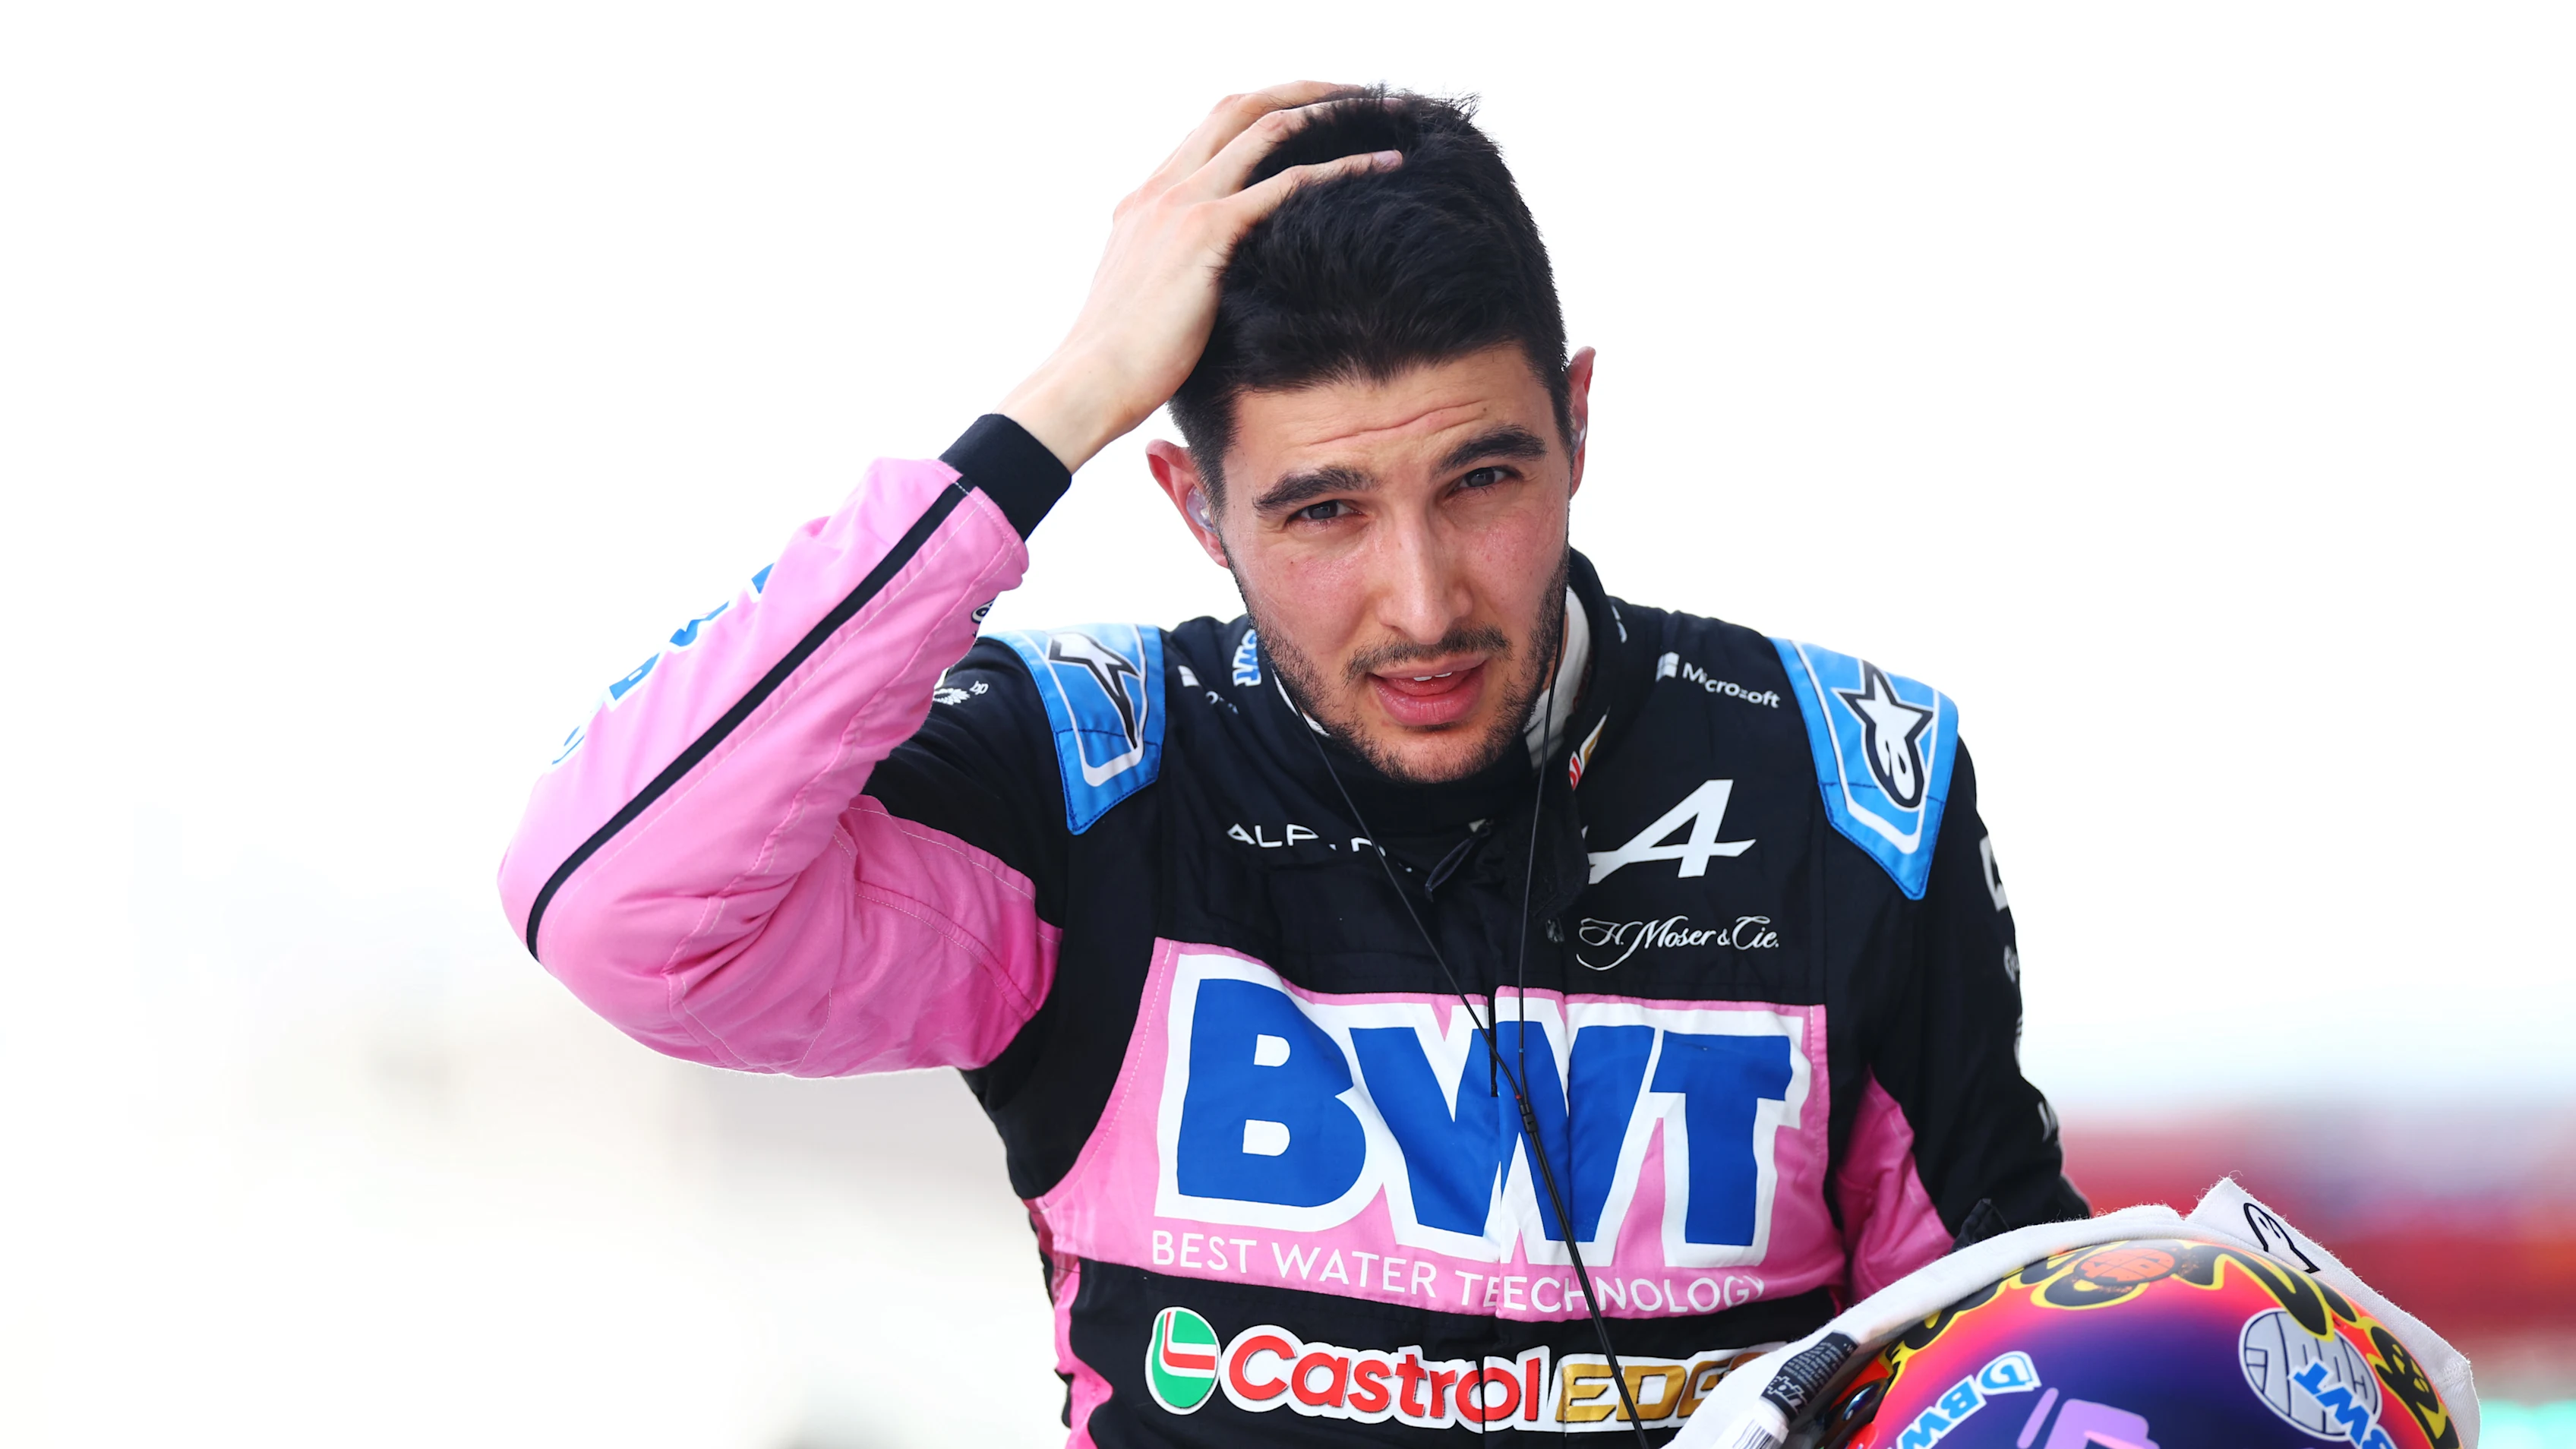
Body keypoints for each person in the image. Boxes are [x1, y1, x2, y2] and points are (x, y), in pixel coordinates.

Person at [498, 84, 2087, 1444]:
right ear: (1194, 505)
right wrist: (1056, 410)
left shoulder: (1845, 781)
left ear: (1577, 426)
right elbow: (612, 904)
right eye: (1323, 511)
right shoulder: (1090, 776)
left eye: (1482, 479)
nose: (1423, 603)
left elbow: (2014, 1357)